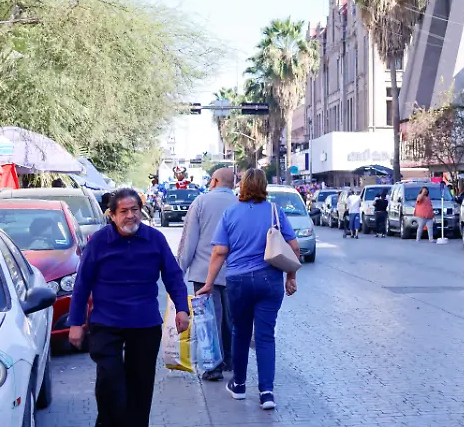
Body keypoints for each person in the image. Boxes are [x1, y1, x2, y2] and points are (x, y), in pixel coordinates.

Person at [67, 188, 190, 427]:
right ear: (112, 215)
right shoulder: (99, 242)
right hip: (106, 323)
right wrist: (75, 323)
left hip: (144, 323)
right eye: (123, 211)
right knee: (109, 381)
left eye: (135, 210)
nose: (130, 215)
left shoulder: (155, 240)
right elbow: (82, 284)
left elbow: (173, 277)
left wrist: (182, 309)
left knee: (140, 383)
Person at [196, 168, 299, 411]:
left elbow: (219, 252)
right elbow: (294, 247)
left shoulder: (230, 213)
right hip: (269, 281)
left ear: (242, 186)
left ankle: (239, 386)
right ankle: (266, 393)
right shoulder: (275, 211)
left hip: (238, 282)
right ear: (264, 186)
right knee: (265, 336)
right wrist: (290, 278)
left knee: (240, 333)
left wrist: (209, 283)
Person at [177, 168, 238, 381]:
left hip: (204, 273)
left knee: (209, 320)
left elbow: (189, 240)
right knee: (230, 319)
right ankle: (231, 360)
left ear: (214, 181)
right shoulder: (240, 203)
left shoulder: (200, 202)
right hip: (234, 272)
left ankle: (213, 366)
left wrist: (180, 269)